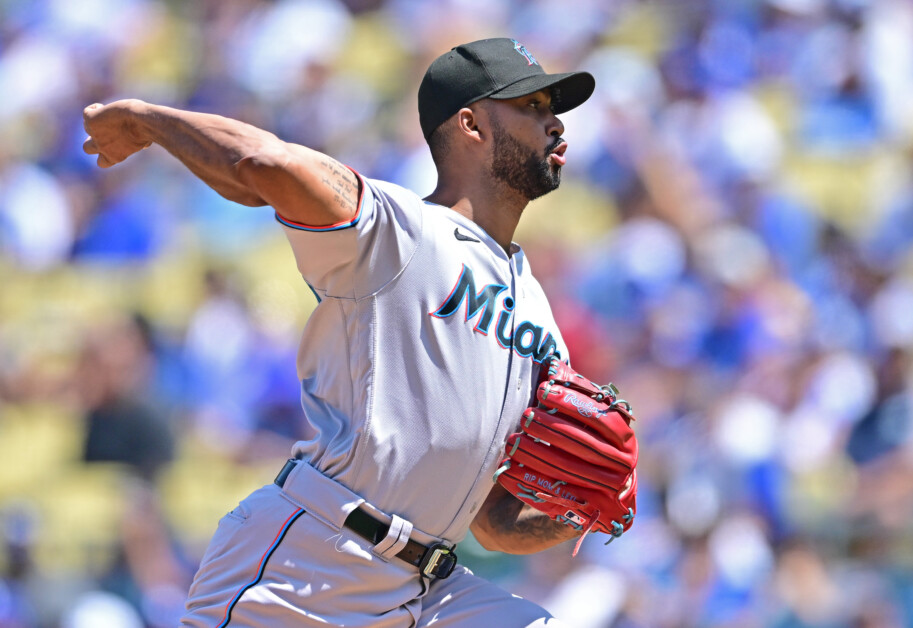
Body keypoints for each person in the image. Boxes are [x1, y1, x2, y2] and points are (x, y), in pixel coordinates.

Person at [83, 37, 598, 627]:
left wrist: (583, 509)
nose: (555, 123)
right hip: (312, 565)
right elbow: (267, 164)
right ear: (471, 124)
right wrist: (147, 120)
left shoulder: (534, 305)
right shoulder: (401, 230)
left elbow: (494, 523)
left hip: (429, 586)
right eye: (532, 106)